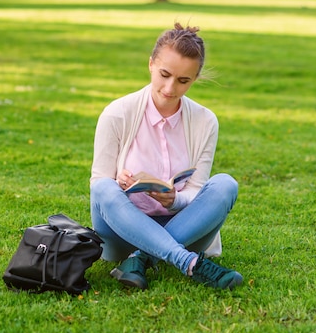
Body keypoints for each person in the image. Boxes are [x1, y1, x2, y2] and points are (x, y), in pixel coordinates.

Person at [90, 22, 242, 290]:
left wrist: (175, 200)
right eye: (164, 74)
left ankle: (139, 259)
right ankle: (187, 262)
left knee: (225, 184)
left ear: (195, 79)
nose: (170, 88)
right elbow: (101, 187)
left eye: (183, 80)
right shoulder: (116, 113)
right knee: (103, 187)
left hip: (184, 228)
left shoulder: (205, 121)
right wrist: (119, 182)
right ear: (150, 64)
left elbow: (196, 190)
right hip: (124, 230)